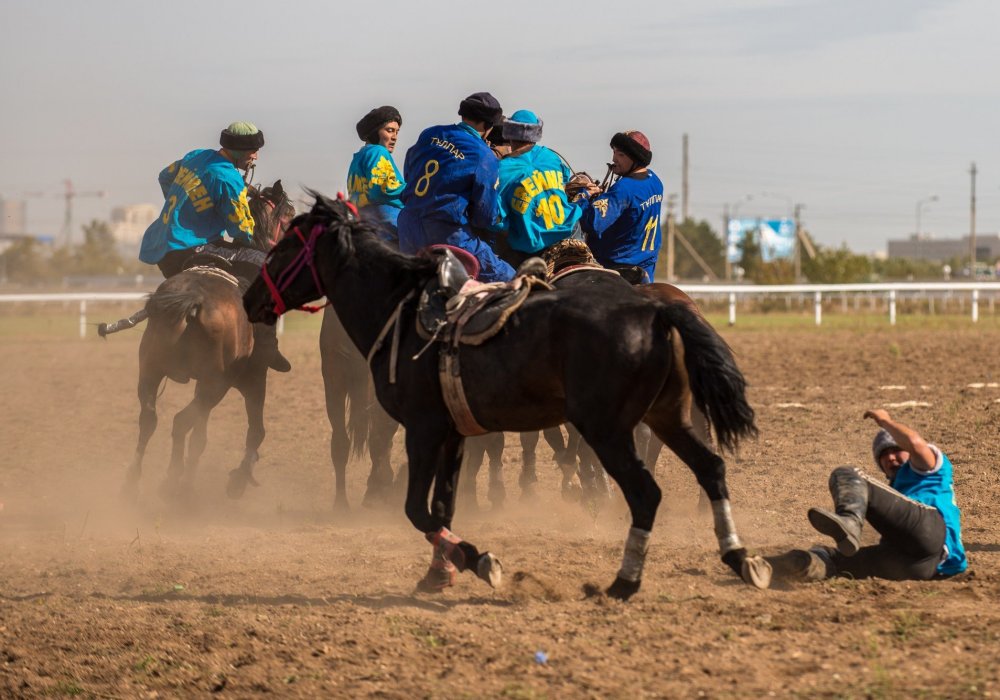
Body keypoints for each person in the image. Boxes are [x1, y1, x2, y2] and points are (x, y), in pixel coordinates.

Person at [139, 121, 290, 372]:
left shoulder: (197, 156)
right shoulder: (228, 179)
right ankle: (266, 346)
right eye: (253, 150)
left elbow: (165, 176)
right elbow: (241, 230)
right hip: (191, 248)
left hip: (160, 244)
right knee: (265, 264)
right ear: (240, 150)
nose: (256, 156)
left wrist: (188, 209)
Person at [762, 410, 967, 586]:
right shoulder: (896, 493)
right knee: (831, 559)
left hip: (933, 535)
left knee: (849, 474)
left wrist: (886, 422)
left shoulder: (930, 469)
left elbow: (914, 443)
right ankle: (764, 566)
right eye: (883, 455)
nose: (890, 458)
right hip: (916, 567)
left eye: (896, 450)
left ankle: (850, 521)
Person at [397, 92, 515, 283]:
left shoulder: (429, 134)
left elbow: (409, 172)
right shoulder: (483, 156)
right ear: (488, 126)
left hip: (407, 227)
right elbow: (484, 216)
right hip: (447, 236)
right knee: (512, 279)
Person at [489, 109, 583, 267]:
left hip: (532, 245)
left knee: (503, 280)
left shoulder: (500, 170)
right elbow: (564, 180)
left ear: (508, 134)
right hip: (570, 231)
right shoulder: (551, 156)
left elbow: (498, 222)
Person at [577, 130, 664, 284]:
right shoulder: (655, 181)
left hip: (614, 269)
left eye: (621, 155)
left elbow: (591, 223)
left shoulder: (624, 188)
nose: (613, 158)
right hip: (646, 270)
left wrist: (583, 196)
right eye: (614, 152)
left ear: (636, 158)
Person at [347, 105, 406, 244]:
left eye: (397, 132)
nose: (394, 137)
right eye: (389, 130)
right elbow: (383, 188)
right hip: (390, 227)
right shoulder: (378, 151)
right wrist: (416, 190)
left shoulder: (358, 157)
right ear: (374, 132)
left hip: (366, 226)